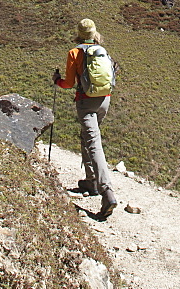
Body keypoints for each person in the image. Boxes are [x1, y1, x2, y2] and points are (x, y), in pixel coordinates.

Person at [53, 18, 117, 219]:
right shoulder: (101, 51)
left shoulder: (75, 53)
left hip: (85, 102)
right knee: (87, 137)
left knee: (93, 142)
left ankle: (107, 192)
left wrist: (57, 80)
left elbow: (69, 83)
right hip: (104, 101)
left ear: (79, 34)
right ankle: (91, 181)